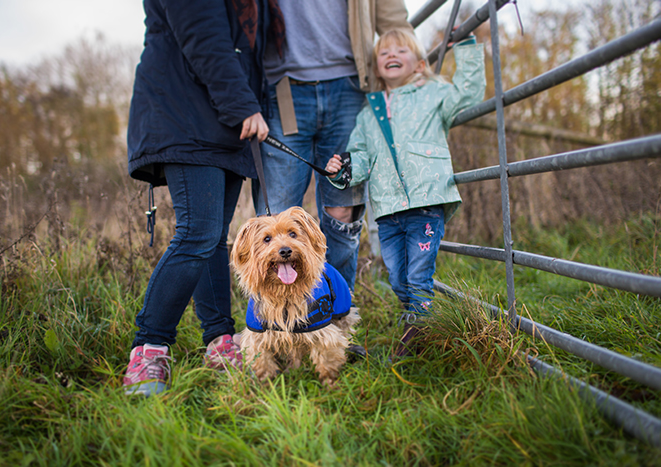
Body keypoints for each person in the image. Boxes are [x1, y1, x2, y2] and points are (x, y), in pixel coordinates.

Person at [123, 0, 284, 396]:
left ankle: (219, 342)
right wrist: (244, 105)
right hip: (187, 114)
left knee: (213, 238)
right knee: (197, 234)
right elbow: (203, 38)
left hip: (221, 122)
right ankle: (149, 349)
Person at [324, 29, 485, 355]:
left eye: (401, 50)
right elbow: (361, 156)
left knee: (417, 274)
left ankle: (420, 334)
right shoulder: (369, 113)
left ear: (420, 64)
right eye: (384, 53)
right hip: (387, 209)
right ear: (376, 66)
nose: (392, 55)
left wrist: (465, 48)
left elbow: (469, 92)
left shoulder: (433, 93)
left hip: (427, 200)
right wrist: (342, 171)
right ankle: (418, 317)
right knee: (397, 278)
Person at [252, 0, 412, 291]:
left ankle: (334, 317)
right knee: (275, 219)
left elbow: (393, 20)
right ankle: (280, 323)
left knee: (343, 211)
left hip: (350, 86)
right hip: (283, 87)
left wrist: (404, 81)